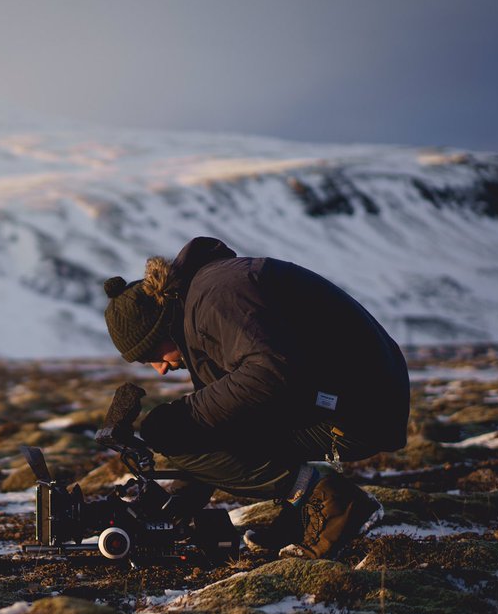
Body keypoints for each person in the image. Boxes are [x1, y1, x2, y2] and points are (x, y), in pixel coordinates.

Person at [102, 236, 410, 559]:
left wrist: (183, 419)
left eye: (151, 355)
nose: (159, 370)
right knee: (192, 426)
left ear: (160, 327)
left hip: (361, 407)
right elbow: (226, 413)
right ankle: (304, 509)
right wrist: (173, 503)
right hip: (351, 394)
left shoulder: (214, 298)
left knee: (175, 428)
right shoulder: (198, 305)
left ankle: (331, 501)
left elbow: (272, 371)